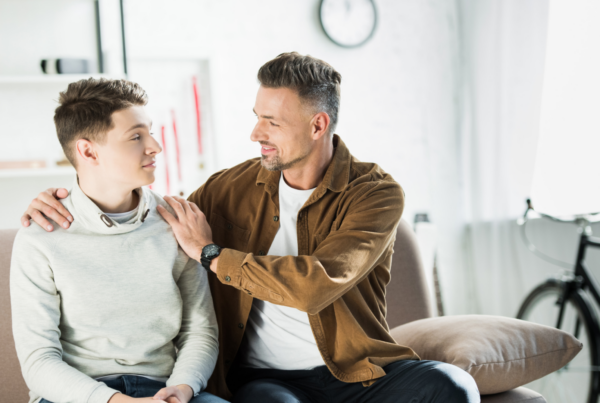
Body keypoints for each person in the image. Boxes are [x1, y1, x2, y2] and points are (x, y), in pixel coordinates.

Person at [22, 53, 480, 403]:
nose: (255, 132)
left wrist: (213, 255)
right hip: (263, 379)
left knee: (450, 386)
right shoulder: (228, 188)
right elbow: (139, 207)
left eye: (272, 122)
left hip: (354, 369)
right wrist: (60, 200)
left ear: (318, 125)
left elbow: (315, 284)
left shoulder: (374, 194)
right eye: (256, 115)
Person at [12, 78, 225, 403]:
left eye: (150, 131)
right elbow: (39, 360)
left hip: (164, 391)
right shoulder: (40, 234)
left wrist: (181, 389)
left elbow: (200, 332)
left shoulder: (178, 223)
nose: (155, 145)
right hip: (75, 395)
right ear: (88, 151)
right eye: (136, 136)